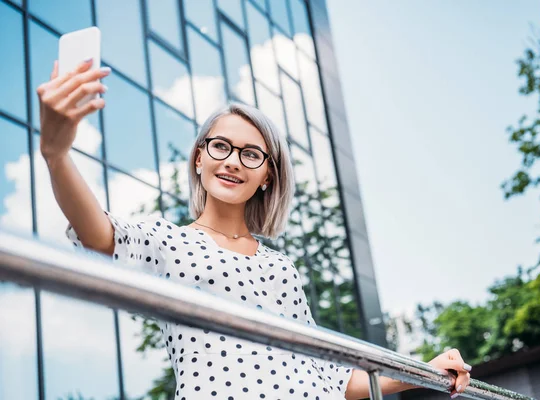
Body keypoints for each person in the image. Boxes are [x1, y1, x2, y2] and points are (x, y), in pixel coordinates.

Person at [37, 59, 471, 400]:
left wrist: (423, 373)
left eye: (250, 154)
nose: (231, 161)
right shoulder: (168, 241)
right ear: (199, 159)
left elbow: (327, 376)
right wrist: (57, 155)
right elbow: (98, 235)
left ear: (267, 175)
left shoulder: (281, 268)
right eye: (221, 146)